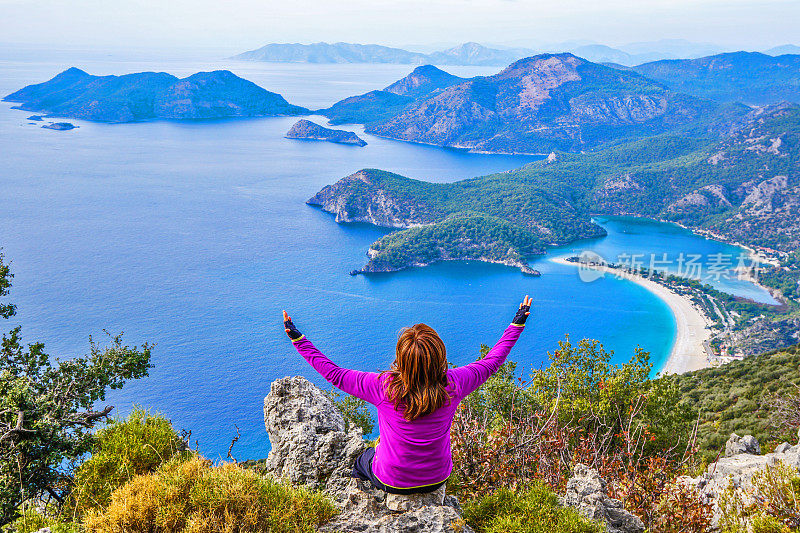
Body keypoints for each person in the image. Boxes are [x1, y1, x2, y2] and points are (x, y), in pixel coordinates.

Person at [282, 295, 530, 495]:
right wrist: (517, 323)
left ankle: (370, 507)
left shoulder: (383, 387)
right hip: (437, 477)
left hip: (393, 481)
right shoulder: (455, 385)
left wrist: (298, 338)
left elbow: (334, 374)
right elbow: (492, 361)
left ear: (401, 359)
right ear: (440, 358)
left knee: (360, 462)